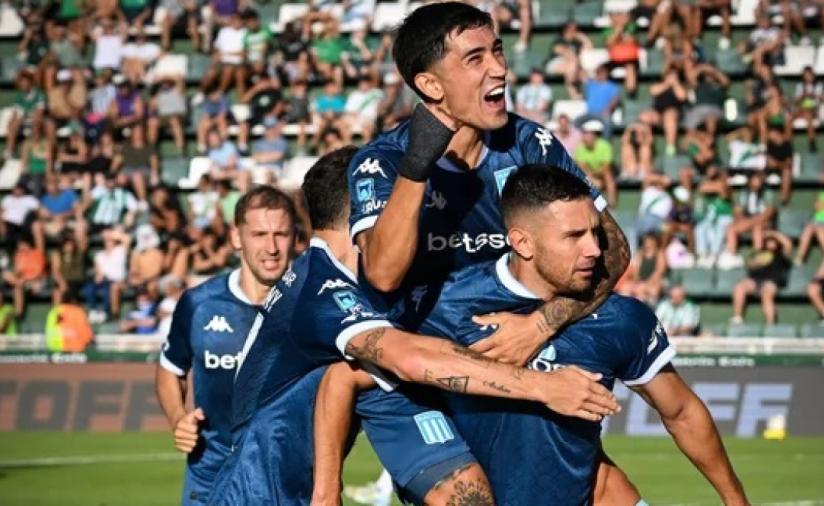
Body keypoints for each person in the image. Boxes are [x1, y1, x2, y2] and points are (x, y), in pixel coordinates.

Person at [208, 149, 618, 506]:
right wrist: (543, 386)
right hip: (256, 495)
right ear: (369, 209)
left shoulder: (362, 288)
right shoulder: (320, 288)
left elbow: (350, 374)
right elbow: (410, 358)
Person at [319, 164, 748, 506]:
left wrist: (736, 501)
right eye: (574, 236)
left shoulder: (621, 317)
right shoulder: (444, 306)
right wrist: (326, 491)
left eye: (595, 233)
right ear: (522, 243)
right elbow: (344, 378)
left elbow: (681, 411)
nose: (595, 250)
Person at [348, 2, 629, 371]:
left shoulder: (529, 144)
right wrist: (417, 165)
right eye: (475, 59)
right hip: (426, 362)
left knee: (628, 320)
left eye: (497, 51)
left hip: (516, 346)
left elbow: (614, 249)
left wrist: (541, 325)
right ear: (431, 85)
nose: (499, 69)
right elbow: (383, 275)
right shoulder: (382, 160)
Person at [156, 186, 298, 505]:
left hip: (287, 478)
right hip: (210, 475)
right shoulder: (199, 304)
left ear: (295, 237)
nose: (271, 247)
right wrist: (178, 418)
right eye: (259, 234)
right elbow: (170, 369)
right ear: (236, 237)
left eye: (281, 234)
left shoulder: (312, 307)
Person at [731, 231, 793, 325]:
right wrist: (756, 263)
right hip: (755, 280)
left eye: (773, 242)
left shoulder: (781, 254)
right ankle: (737, 317)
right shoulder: (759, 253)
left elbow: (788, 244)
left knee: (766, 294)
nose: (770, 243)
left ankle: (770, 323)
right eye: (768, 241)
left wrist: (773, 234)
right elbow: (749, 265)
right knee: (739, 287)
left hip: (773, 280)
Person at [573, 123, 617, 208]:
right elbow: (582, 166)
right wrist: (592, 178)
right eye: (584, 134)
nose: (584, 138)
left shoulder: (604, 146)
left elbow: (606, 166)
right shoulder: (580, 148)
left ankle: (612, 204)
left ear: (594, 135)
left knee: (608, 175)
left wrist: (595, 175)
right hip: (589, 176)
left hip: (602, 174)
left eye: (587, 134)